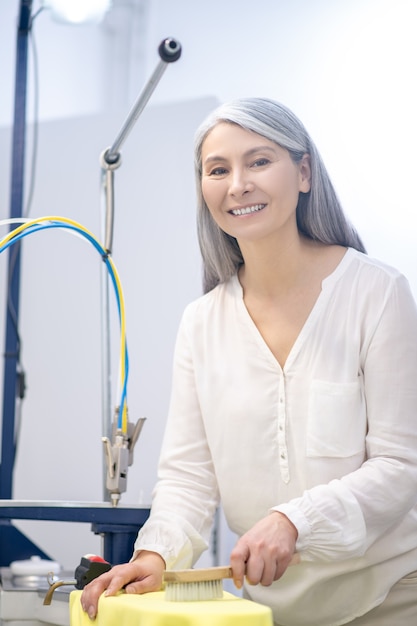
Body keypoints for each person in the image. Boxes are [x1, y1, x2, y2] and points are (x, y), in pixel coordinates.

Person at [80, 98, 417, 625]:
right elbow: (190, 478)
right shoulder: (202, 323)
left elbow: (402, 466)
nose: (237, 184)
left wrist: (294, 521)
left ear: (304, 173)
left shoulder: (377, 293)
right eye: (218, 170)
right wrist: (155, 556)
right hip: (264, 608)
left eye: (259, 161)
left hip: (391, 593)